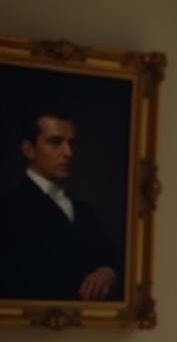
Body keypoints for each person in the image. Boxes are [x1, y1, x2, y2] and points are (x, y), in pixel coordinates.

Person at [0, 113, 120, 301]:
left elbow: (111, 255)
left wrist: (107, 271)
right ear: (29, 149)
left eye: (71, 143)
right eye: (55, 142)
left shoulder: (85, 210)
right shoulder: (7, 210)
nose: (68, 153)